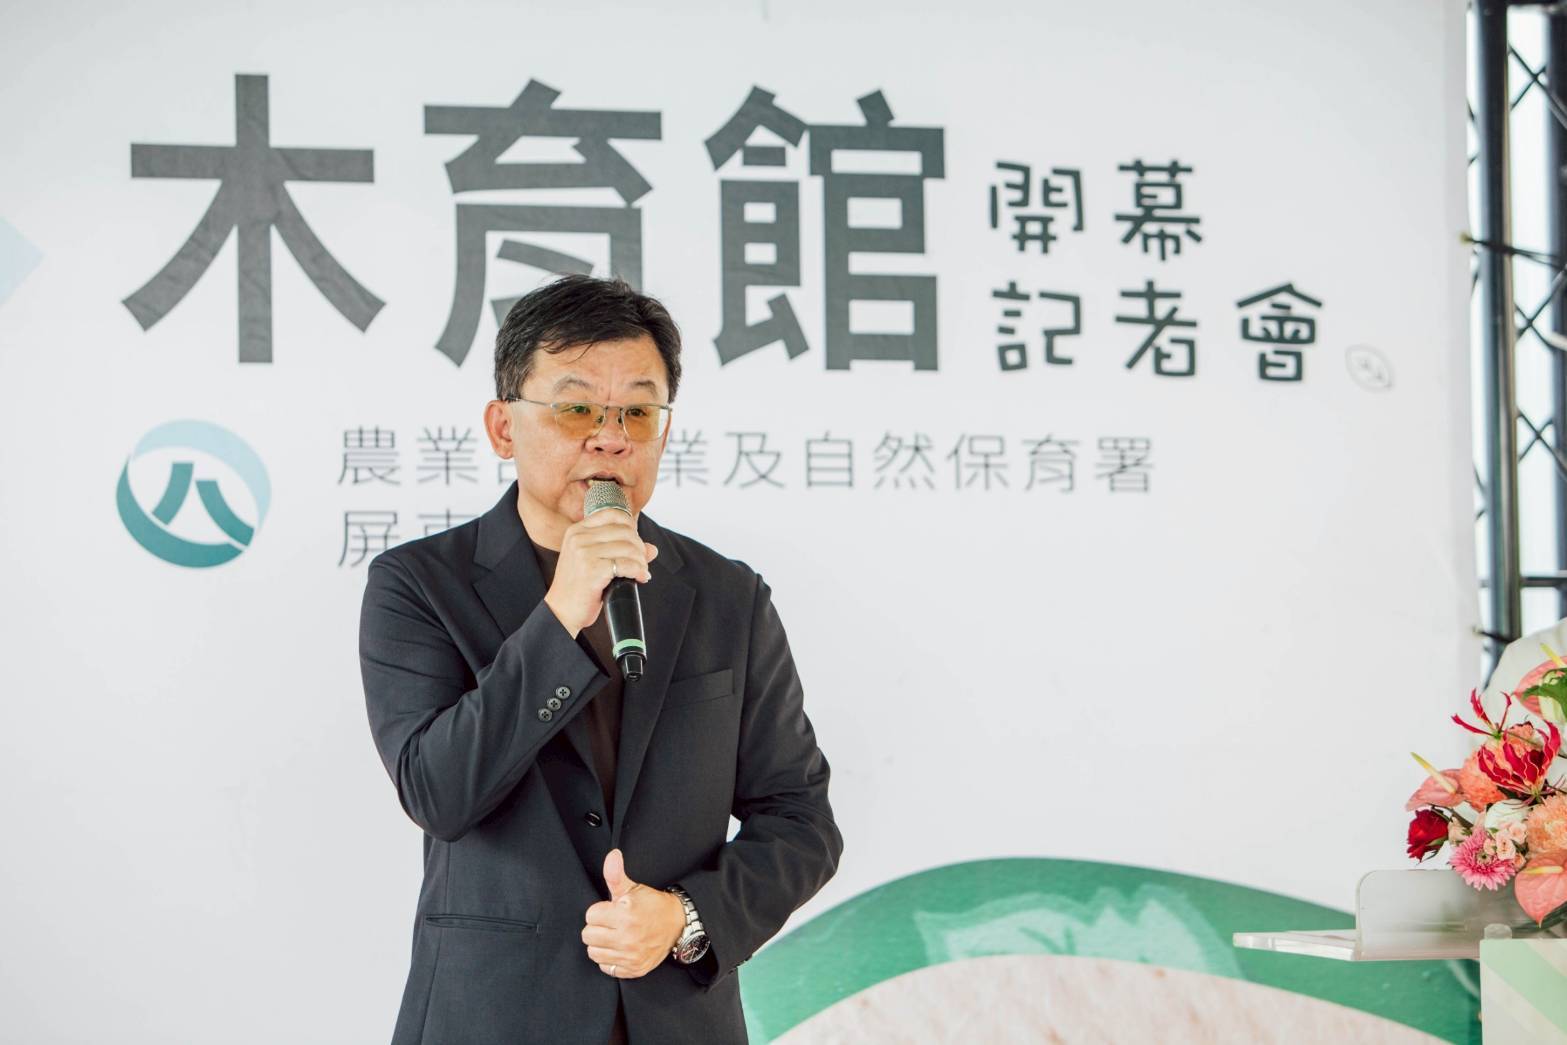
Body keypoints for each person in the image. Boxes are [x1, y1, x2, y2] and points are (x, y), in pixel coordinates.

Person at [359, 274, 843, 1044]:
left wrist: (683, 917)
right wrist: (559, 616)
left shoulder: (728, 596)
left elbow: (800, 819)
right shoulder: (419, 584)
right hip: (490, 1018)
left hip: (675, 1020)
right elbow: (438, 790)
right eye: (577, 407)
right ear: (503, 426)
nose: (610, 436)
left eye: (638, 412)